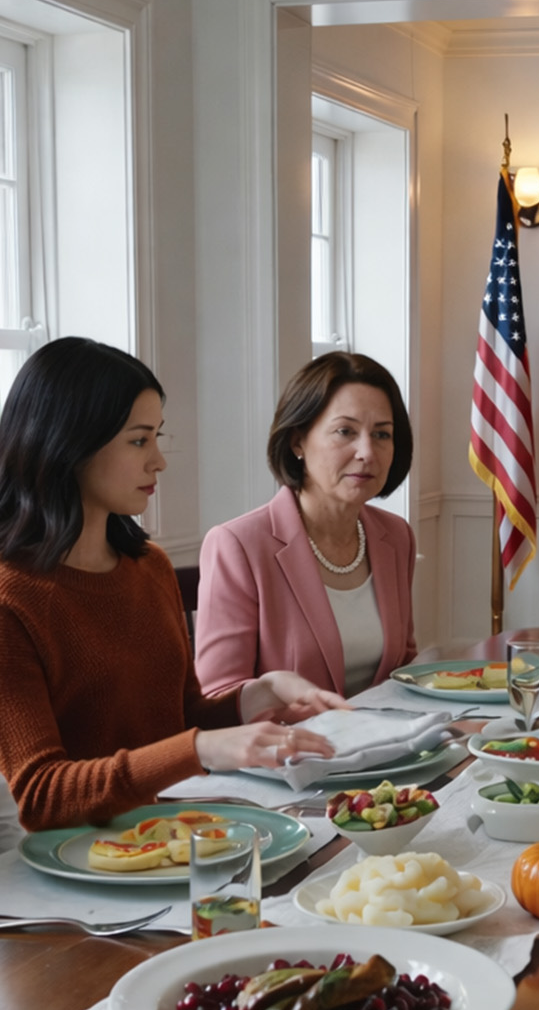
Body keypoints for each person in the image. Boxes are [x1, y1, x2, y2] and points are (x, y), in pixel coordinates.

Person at [0, 337, 344, 835]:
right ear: (69, 445)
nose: (159, 460)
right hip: (76, 868)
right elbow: (40, 795)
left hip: (170, 834)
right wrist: (201, 747)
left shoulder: (148, 566)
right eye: (139, 440)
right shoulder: (13, 598)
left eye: (158, 437)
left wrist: (258, 694)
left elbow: (178, 720)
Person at [196, 352, 417, 698]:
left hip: (387, 745)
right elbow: (218, 697)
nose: (367, 452)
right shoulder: (237, 544)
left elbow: (403, 665)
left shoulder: (397, 536)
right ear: (298, 440)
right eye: (345, 431)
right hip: (288, 748)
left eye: (382, 435)